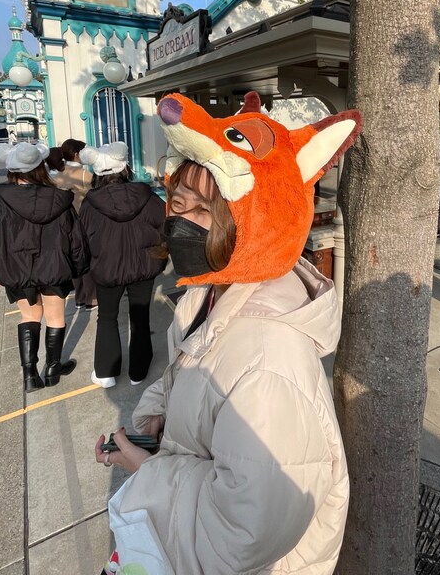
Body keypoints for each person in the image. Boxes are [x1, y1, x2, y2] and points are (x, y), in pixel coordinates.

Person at [94, 92, 362, 574]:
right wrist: (158, 414)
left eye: (204, 211)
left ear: (259, 217)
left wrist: (147, 471)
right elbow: (191, 367)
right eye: (178, 204)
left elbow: (239, 535)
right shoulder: (212, 293)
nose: (180, 223)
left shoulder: (270, 363)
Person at [0, 142, 89, 392]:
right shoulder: (59, 199)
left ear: (12, 170)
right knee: (55, 317)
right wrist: (78, 268)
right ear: (40, 168)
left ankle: (30, 376)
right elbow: (77, 240)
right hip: (55, 268)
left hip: (16, 270)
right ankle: (53, 369)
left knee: (29, 316)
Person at [79, 142, 167, 389]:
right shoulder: (148, 197)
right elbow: (164, 227)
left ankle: (106, 372)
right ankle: (138, 371)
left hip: (106, 269)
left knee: (107, 317)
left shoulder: (89, 204)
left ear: (98, 173)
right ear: (125, 168)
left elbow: (81, 240)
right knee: (140, 317)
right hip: (144, 266)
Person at [50, 138, 97, 310]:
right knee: (88, 259)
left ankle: (79, 297)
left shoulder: (57, 174)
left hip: (65, 222)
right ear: (77, 154)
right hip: (84, 221)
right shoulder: (84, 175)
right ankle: (91, 298)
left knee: (74, 258)